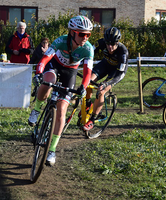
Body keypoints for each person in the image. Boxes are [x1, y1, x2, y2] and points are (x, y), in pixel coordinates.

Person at [28, 15, 94, 166]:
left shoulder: (88, 48)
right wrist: (38, 73)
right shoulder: (61, 40)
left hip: (70, 73)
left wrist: (83, 86)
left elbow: (88, 72)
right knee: (47, 81)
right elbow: (45, 59)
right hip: (55, 66)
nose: (85, 37)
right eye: (81, 34)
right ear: (72, 33)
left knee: (62, 111)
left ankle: (51, 149)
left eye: (88, 34)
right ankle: (36, 110)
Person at [82, 27, 129, 131]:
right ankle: (88, 105)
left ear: (117, 42)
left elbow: (120, 73)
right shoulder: (100, 43)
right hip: (104, 65)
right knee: (87, 81)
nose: (110, 47)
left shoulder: (123, 52)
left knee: (101, 90)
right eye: (108, 44)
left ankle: (92, 120)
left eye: (113, 44)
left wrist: (106, 83)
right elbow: (88, 52)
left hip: (116, 72)